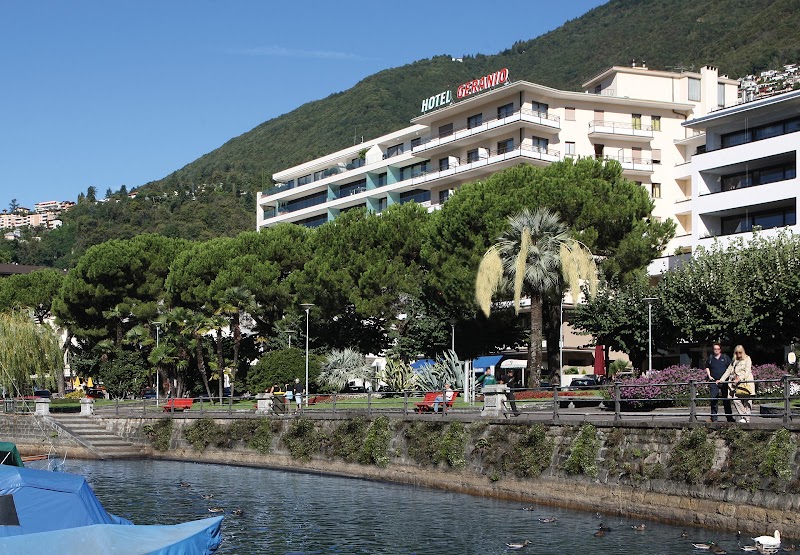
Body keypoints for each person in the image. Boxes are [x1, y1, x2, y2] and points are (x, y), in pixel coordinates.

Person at [717, 344, 755, 423]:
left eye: (740, 352)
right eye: (736, 352)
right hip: (736, 384)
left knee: (747, 401)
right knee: (735, 399)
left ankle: (746, 419)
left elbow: (747, 371)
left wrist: (740, 378)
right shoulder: (734, 360)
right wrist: (721, 380)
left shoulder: (747, 359)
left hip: (746, 382)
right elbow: (728, 370)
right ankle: (745, 417)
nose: (738, 354)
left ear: (743, 352)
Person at [705, 342, 734, 422]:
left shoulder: (725, 357)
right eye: (715, 349)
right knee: (713, 399)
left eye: (718, 349)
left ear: (720, 350)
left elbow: (731, 367)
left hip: (724, 381)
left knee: (726, 400)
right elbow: (707, 367)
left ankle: (729, 417)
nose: (716, 350)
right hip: (714, 381)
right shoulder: (710, 358)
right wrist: (709, 376)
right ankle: (714, 417)